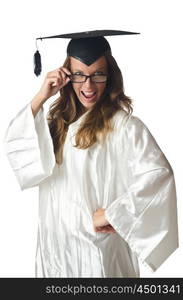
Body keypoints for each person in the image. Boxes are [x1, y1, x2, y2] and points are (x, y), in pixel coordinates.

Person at [4, 30, 178, 278]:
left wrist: (113, 214)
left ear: (109, 76)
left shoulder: (123, 126)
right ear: (68, 75)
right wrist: (41, 97)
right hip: (56, 250)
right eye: (79, 75)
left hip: (97, 254)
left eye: (97, 74)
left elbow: (159, 175)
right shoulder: (57, 123)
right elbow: (20, 153)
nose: (88, 85)